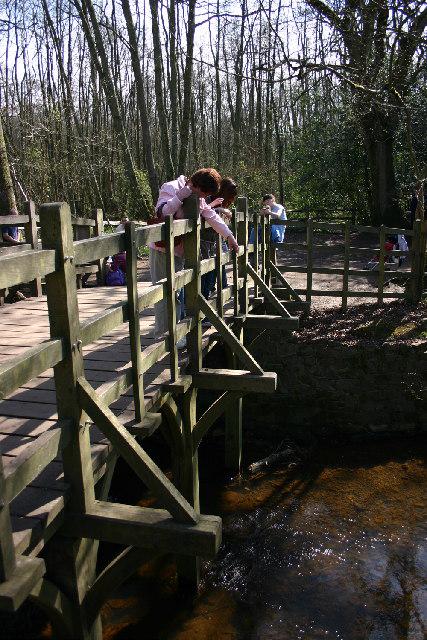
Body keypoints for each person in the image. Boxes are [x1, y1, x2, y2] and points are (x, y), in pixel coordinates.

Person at [149, 168, 239, 346]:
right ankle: (164, 335)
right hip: (162, 249)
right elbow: (163, 212)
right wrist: (181, 195)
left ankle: (174, 332)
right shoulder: (171, 187)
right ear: (196, 185)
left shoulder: (199, 197)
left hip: (181, 249)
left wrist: (229, 236)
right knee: (164, 292)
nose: (203, 198)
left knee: (177, 290)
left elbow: (211, 216)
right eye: (203, 194)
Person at [201, 177, 237, 300]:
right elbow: (203, 212)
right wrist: (220, 210)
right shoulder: (208, 198)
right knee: (206, 276)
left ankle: (222, 292)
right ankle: (203, 308)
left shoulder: (221, 202)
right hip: (204, 243)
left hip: (215, 242)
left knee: (214, 271)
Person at [1, 208, 28, 301]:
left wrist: (18, 242)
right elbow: (5, 235)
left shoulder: (16, 224)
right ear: (10, 215)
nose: (15, 217)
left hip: (16, 247)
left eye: (16, 216)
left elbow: (17, 234)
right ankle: (13, 291)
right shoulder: (6, 223)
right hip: (8, 248)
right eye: (13, 216)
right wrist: (15, 242)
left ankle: (16, 290)